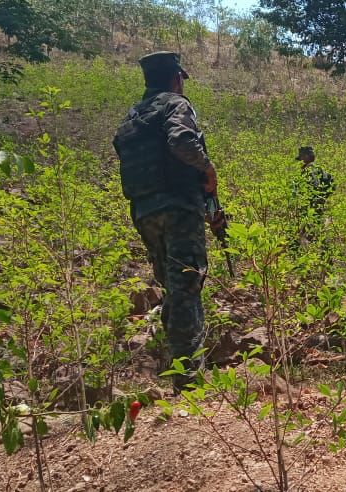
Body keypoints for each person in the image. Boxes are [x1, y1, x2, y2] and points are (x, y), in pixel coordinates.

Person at [112, 51, 224, 391]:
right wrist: (207, 169)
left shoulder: (135, 116)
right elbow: (181, 140)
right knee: (187, 286)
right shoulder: (176, 105)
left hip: (144, 212)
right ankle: (189, 381)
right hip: (178, 208)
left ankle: (176, 367)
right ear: (176, 78)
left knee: (173, 290)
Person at [292, 146, 334, 245]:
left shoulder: (309, 170)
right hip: (320, 206)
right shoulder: (321, 169)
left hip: (310, 208)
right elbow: (331, 186)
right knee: (319, 230)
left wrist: (307, 202)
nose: (300, 161)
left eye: (301, 158)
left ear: (306, 157)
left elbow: (312, 187)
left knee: (306, 231)